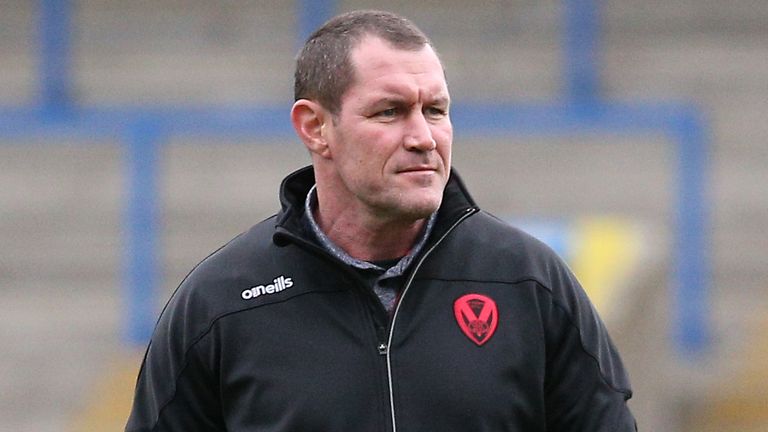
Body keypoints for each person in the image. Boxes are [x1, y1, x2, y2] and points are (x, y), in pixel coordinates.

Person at [126, 9, 636, 432]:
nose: (423, 137)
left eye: (435, 110)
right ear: (316, 127)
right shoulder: (221, 304)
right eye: (390, 112)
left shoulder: (528, 283)